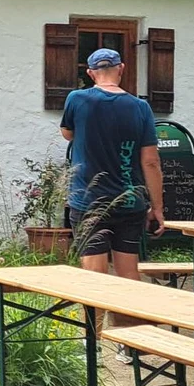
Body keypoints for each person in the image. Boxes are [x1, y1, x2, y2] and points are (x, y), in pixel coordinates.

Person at [59, 48, 165, 280]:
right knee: (128, 274)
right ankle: (129, 317)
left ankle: (95, 318)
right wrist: (156, 207)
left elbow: (67, 133)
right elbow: (151, 162)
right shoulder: (141, 107)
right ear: (121, 69)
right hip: (130, 202)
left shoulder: (76, 99)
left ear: (90, 73)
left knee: (95, 277)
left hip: (88, 201)